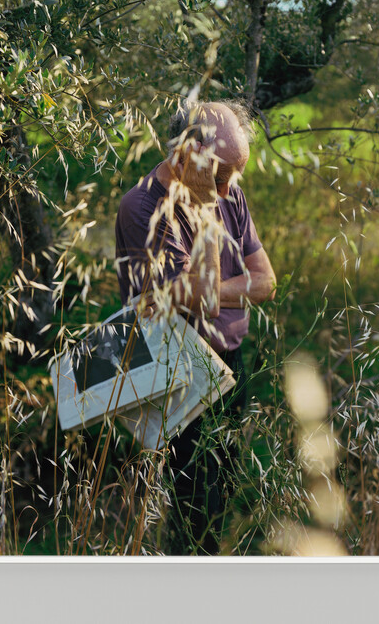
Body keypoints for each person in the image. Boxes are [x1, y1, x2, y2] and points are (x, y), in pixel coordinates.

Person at [115, 100, 276, 554]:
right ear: (184, 155)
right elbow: (199, 297)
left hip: (232, 362)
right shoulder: (142, 206)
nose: (230, 190)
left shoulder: (228, 190)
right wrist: (204, 209)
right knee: (190, 510)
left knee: (220, 495)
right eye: (221, 175)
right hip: (180, 372)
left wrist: (209, 291)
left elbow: (265, 283)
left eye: (236, 175)